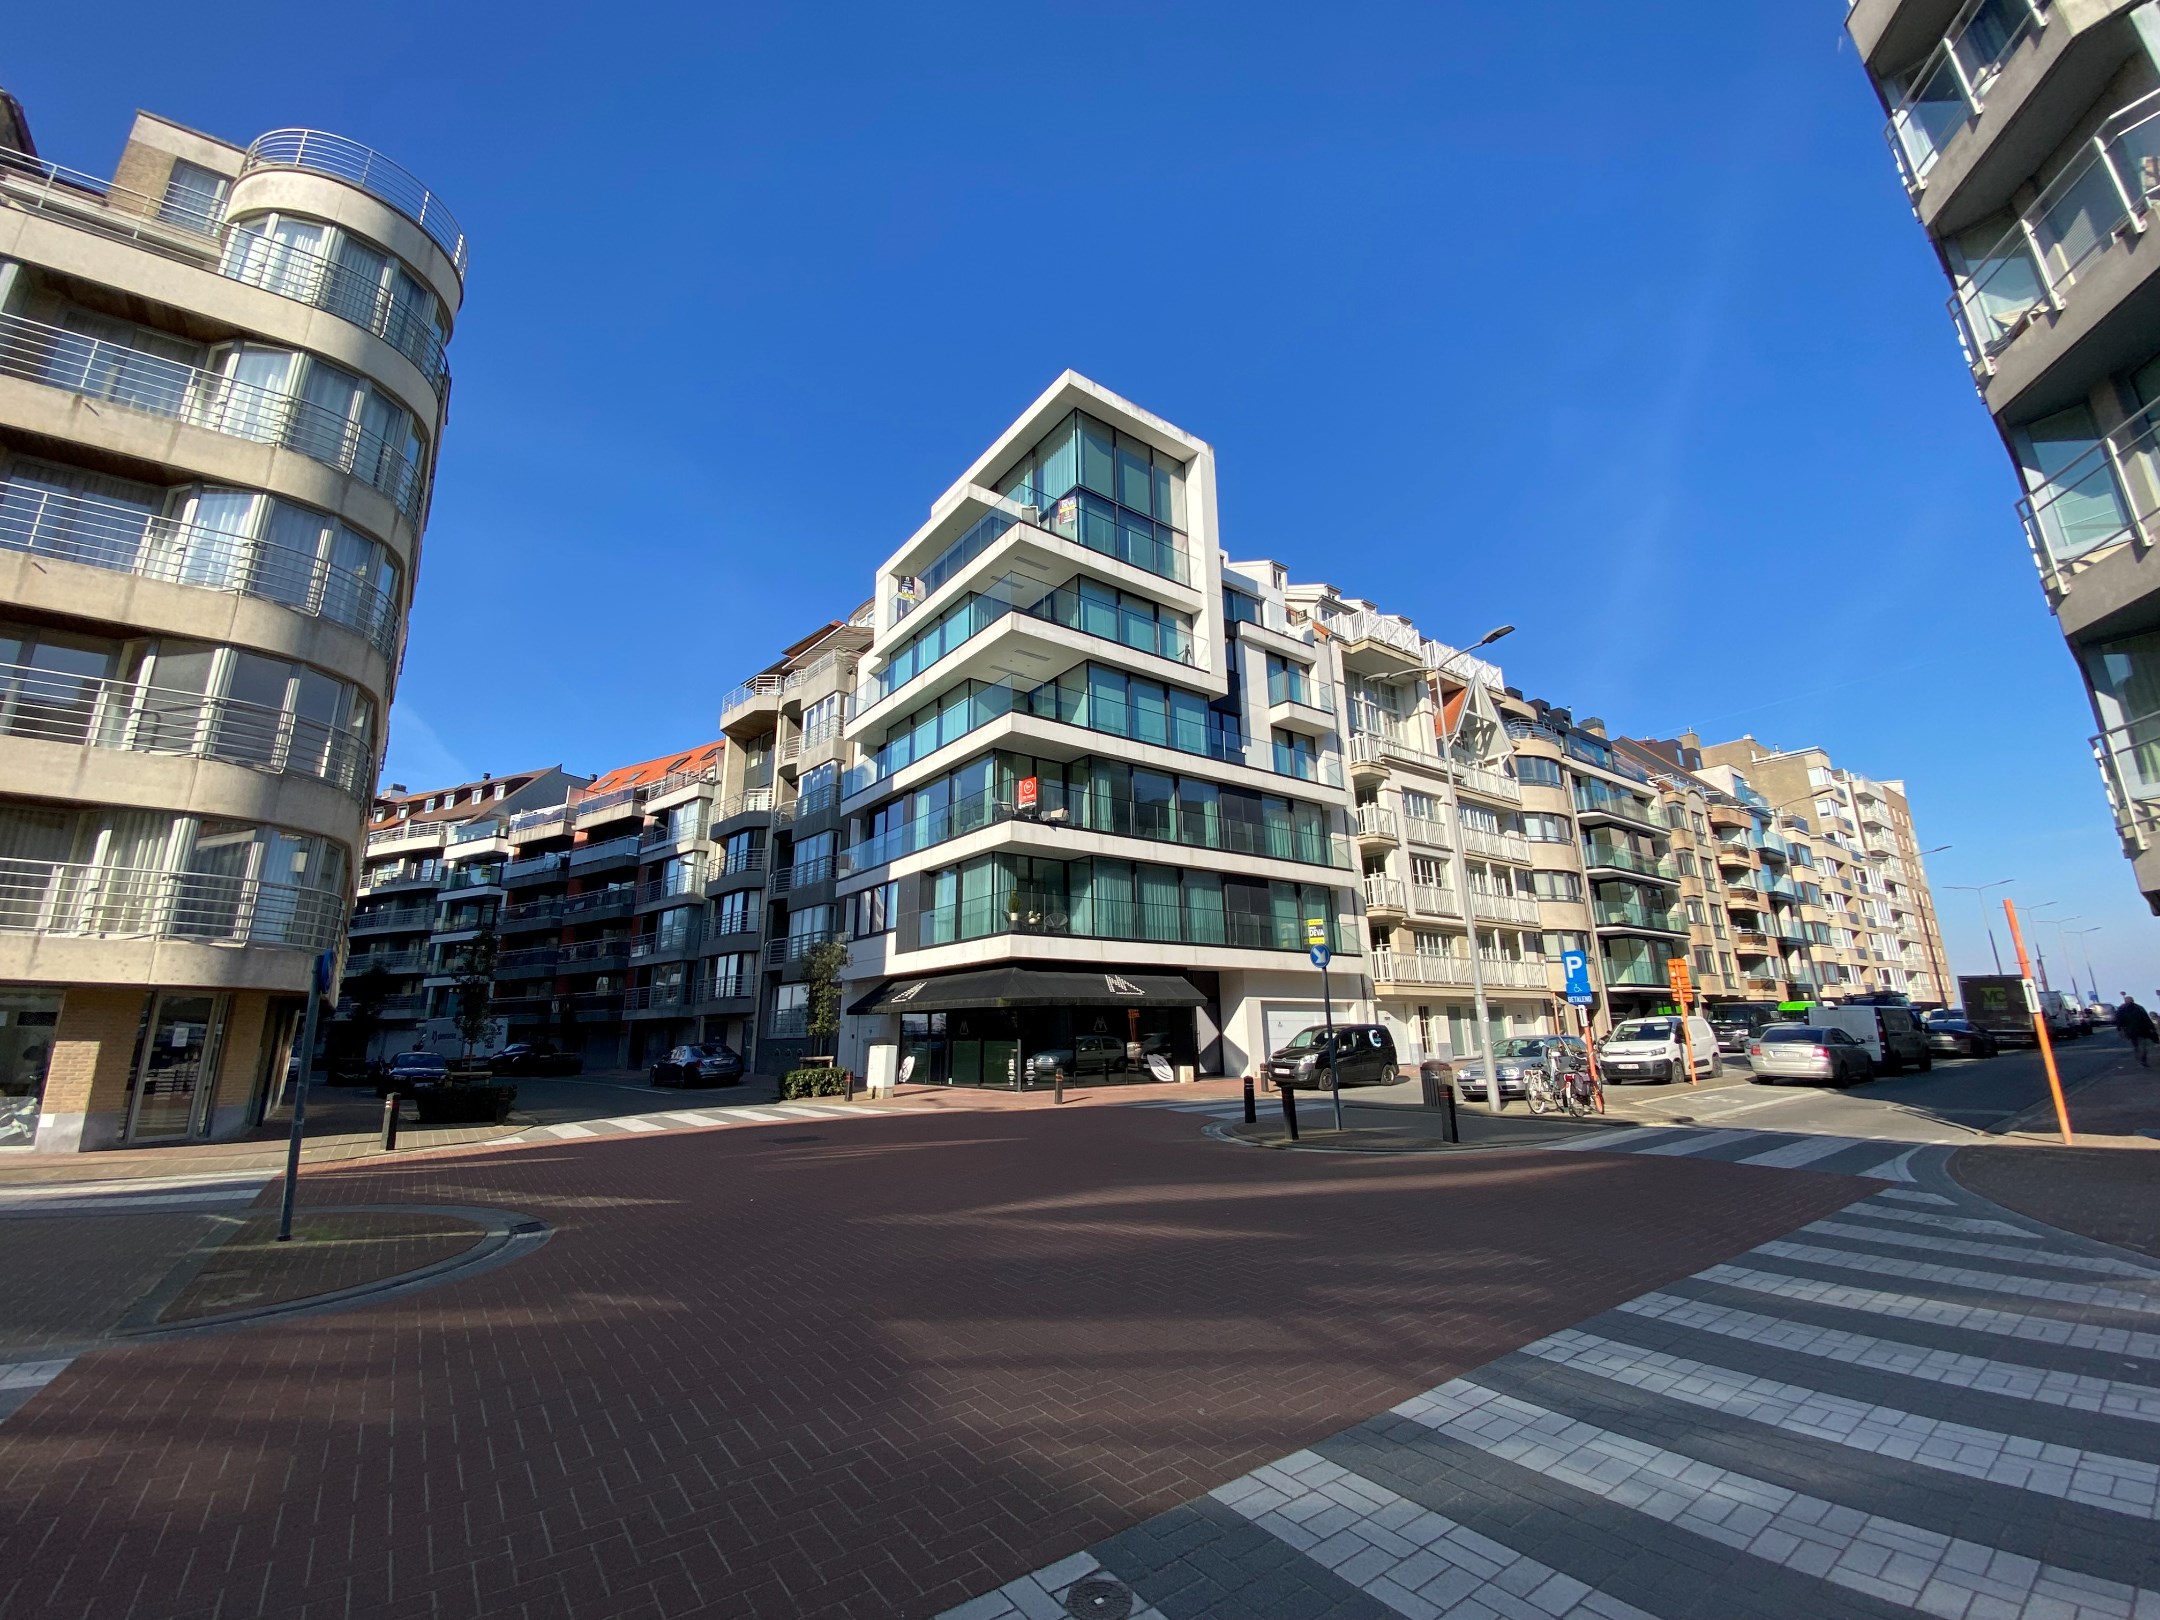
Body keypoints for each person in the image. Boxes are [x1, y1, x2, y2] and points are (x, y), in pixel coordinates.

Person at [2115, 994, 2156, 1066]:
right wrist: (2152, 1028)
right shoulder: (2138, 1008)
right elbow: (2146, 1018)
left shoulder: (2122, 1009)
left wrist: (2120, 1029)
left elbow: (2118, 1021)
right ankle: (2142, 1059)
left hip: (2136, 1031)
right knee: (2141, 1045)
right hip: (2139, 1030)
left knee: (2139, 1045)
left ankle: (2141, 1058)